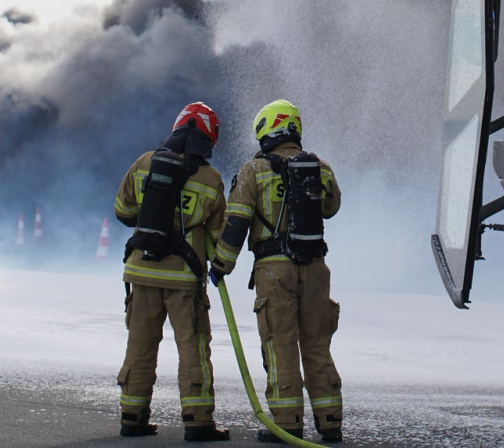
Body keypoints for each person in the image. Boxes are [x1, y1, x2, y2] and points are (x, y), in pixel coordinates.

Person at [210, 99, 343, 443]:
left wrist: (221, 265)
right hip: (315, 268)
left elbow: (236, 223)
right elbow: (331, 207)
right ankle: (330, 421)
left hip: (274, 271)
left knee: (279, 344)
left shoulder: (253, 170)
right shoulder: (320, 167)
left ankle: (287, 424)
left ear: (266, 129)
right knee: (317, 345)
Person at [113, 102, 230, 441]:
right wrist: (219, 262)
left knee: (140, 346)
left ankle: (132, 417)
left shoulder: (144, 163)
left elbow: (122, 210)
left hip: (141, 271)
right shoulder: (210, 179)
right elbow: (218, 235)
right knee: (193, 348)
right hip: (184, 280)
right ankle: (198, 421)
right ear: (209, 136)